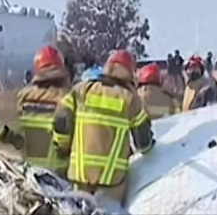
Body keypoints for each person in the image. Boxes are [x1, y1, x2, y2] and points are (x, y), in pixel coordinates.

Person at [53, 50, 154, 204]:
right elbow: (144, 143)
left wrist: (63, 145)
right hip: (111, 182)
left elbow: (60, 118)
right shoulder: (129, 98)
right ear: (130, 73)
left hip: (80, 177)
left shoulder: (81, 90)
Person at [16, 46, 71, 176]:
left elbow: (19, 129)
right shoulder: (67, 97)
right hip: (58, 171)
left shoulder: (23, 96)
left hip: (31, 169)